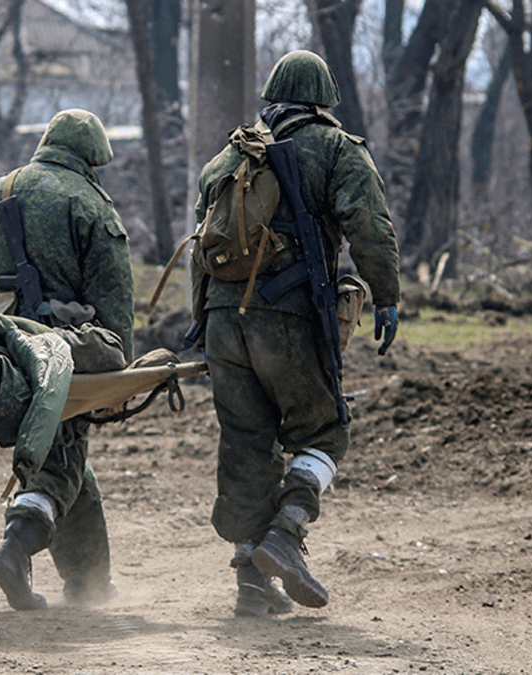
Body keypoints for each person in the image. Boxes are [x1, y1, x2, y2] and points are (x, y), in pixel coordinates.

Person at [192, 50, 400, 616]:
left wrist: (198, 325)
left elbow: (199, 249)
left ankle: (249, 583)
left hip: (221, 324)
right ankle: (286, 533)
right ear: (324, 99)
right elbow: (370, 227)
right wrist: (387, 296)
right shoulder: (336, 150)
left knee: (246, 444)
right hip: (288, 320)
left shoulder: (226, 158)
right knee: (324, 432)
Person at [0, 109, 134, 610]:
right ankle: (15, 546)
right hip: (61, 356)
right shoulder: (92, 207)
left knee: (66, 457)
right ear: (91, 158)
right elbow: (115, 311)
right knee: (62, 457)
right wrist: (115, 381)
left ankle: (89, 585)